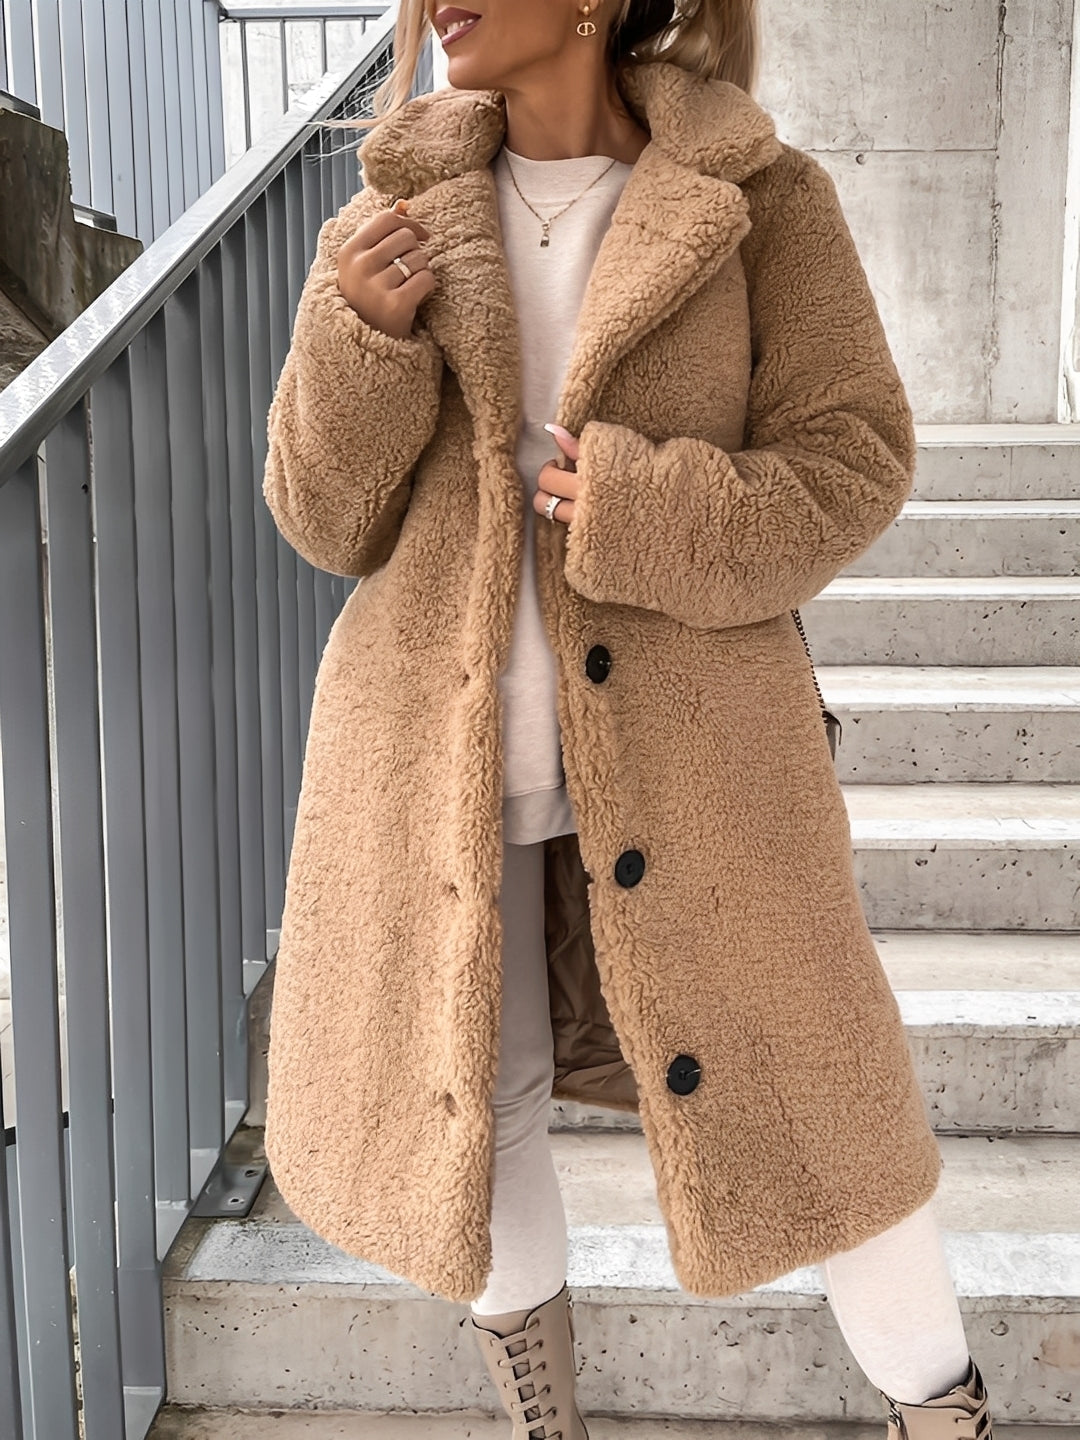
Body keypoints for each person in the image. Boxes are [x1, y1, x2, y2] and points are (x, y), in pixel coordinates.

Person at [261, 3, 997, 1438]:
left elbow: (856, 458)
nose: (434, 6)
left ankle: (948, 1416)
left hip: (704, 758)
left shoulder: (758, 199)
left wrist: (650, 510)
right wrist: (360, 336)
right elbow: (320, 517)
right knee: (486, 1110)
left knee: (830, 1115)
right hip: (439, 758)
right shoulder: (393, 213)